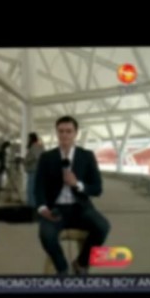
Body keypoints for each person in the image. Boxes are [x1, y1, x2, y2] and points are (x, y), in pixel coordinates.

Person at [35, 116, 110, 276]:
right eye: (61, 131)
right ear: (56, 133)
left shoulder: (87, 156)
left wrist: (78, 184)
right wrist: (42, 208)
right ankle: (62, 268)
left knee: (103, 227)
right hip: (55, 209)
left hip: (81, 208)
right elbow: (38, 187)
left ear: (76, 133)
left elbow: (97, 189)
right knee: (46, 235)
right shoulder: (47, 157)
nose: (64, 135)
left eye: (68, 131)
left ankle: (81, 262)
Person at [23, 132, 44, 208]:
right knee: (33, 189)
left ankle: (32, 206)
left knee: (31, 189)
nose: (27, 140)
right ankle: (33, 205)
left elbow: (36, 156)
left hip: (34, 170)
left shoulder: (35, 146)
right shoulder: (38, 146)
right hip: (35, 170)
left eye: (28, 139)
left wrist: (27, 160)